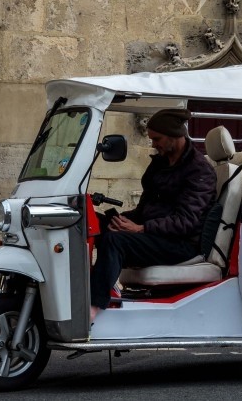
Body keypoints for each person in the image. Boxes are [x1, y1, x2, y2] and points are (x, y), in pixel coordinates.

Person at [89, 109, 217, 321]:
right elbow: (144, 210)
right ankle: (85, 288)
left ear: (174, 135)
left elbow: (186, 222)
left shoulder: (199, 171)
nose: (153, 144)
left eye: (157, 139)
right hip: (155, 235)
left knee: (115, 241)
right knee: (97, 222)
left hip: (181, 244)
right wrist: (124, 219)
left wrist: (141, 228)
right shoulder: (160, 163)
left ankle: (94, 305)